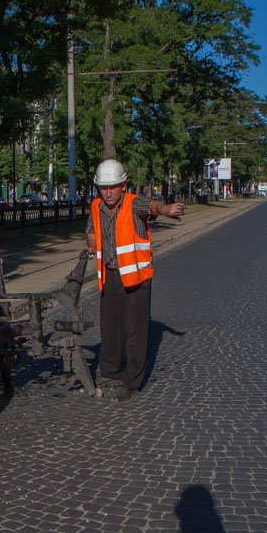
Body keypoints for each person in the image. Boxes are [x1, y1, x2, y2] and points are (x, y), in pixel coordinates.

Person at [85, 159, 184, 402]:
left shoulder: (132, 203)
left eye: (113, 187)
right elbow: (91, 230)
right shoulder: (96, 206)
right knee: (110, 328)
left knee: (135, 332)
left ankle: (132, 381)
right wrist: (90, 245)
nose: (108, 192)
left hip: (137, 277)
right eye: (104, 187)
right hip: (109, 275)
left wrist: (167, 210)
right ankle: (110, 371)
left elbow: (151, 206)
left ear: (123, 185)